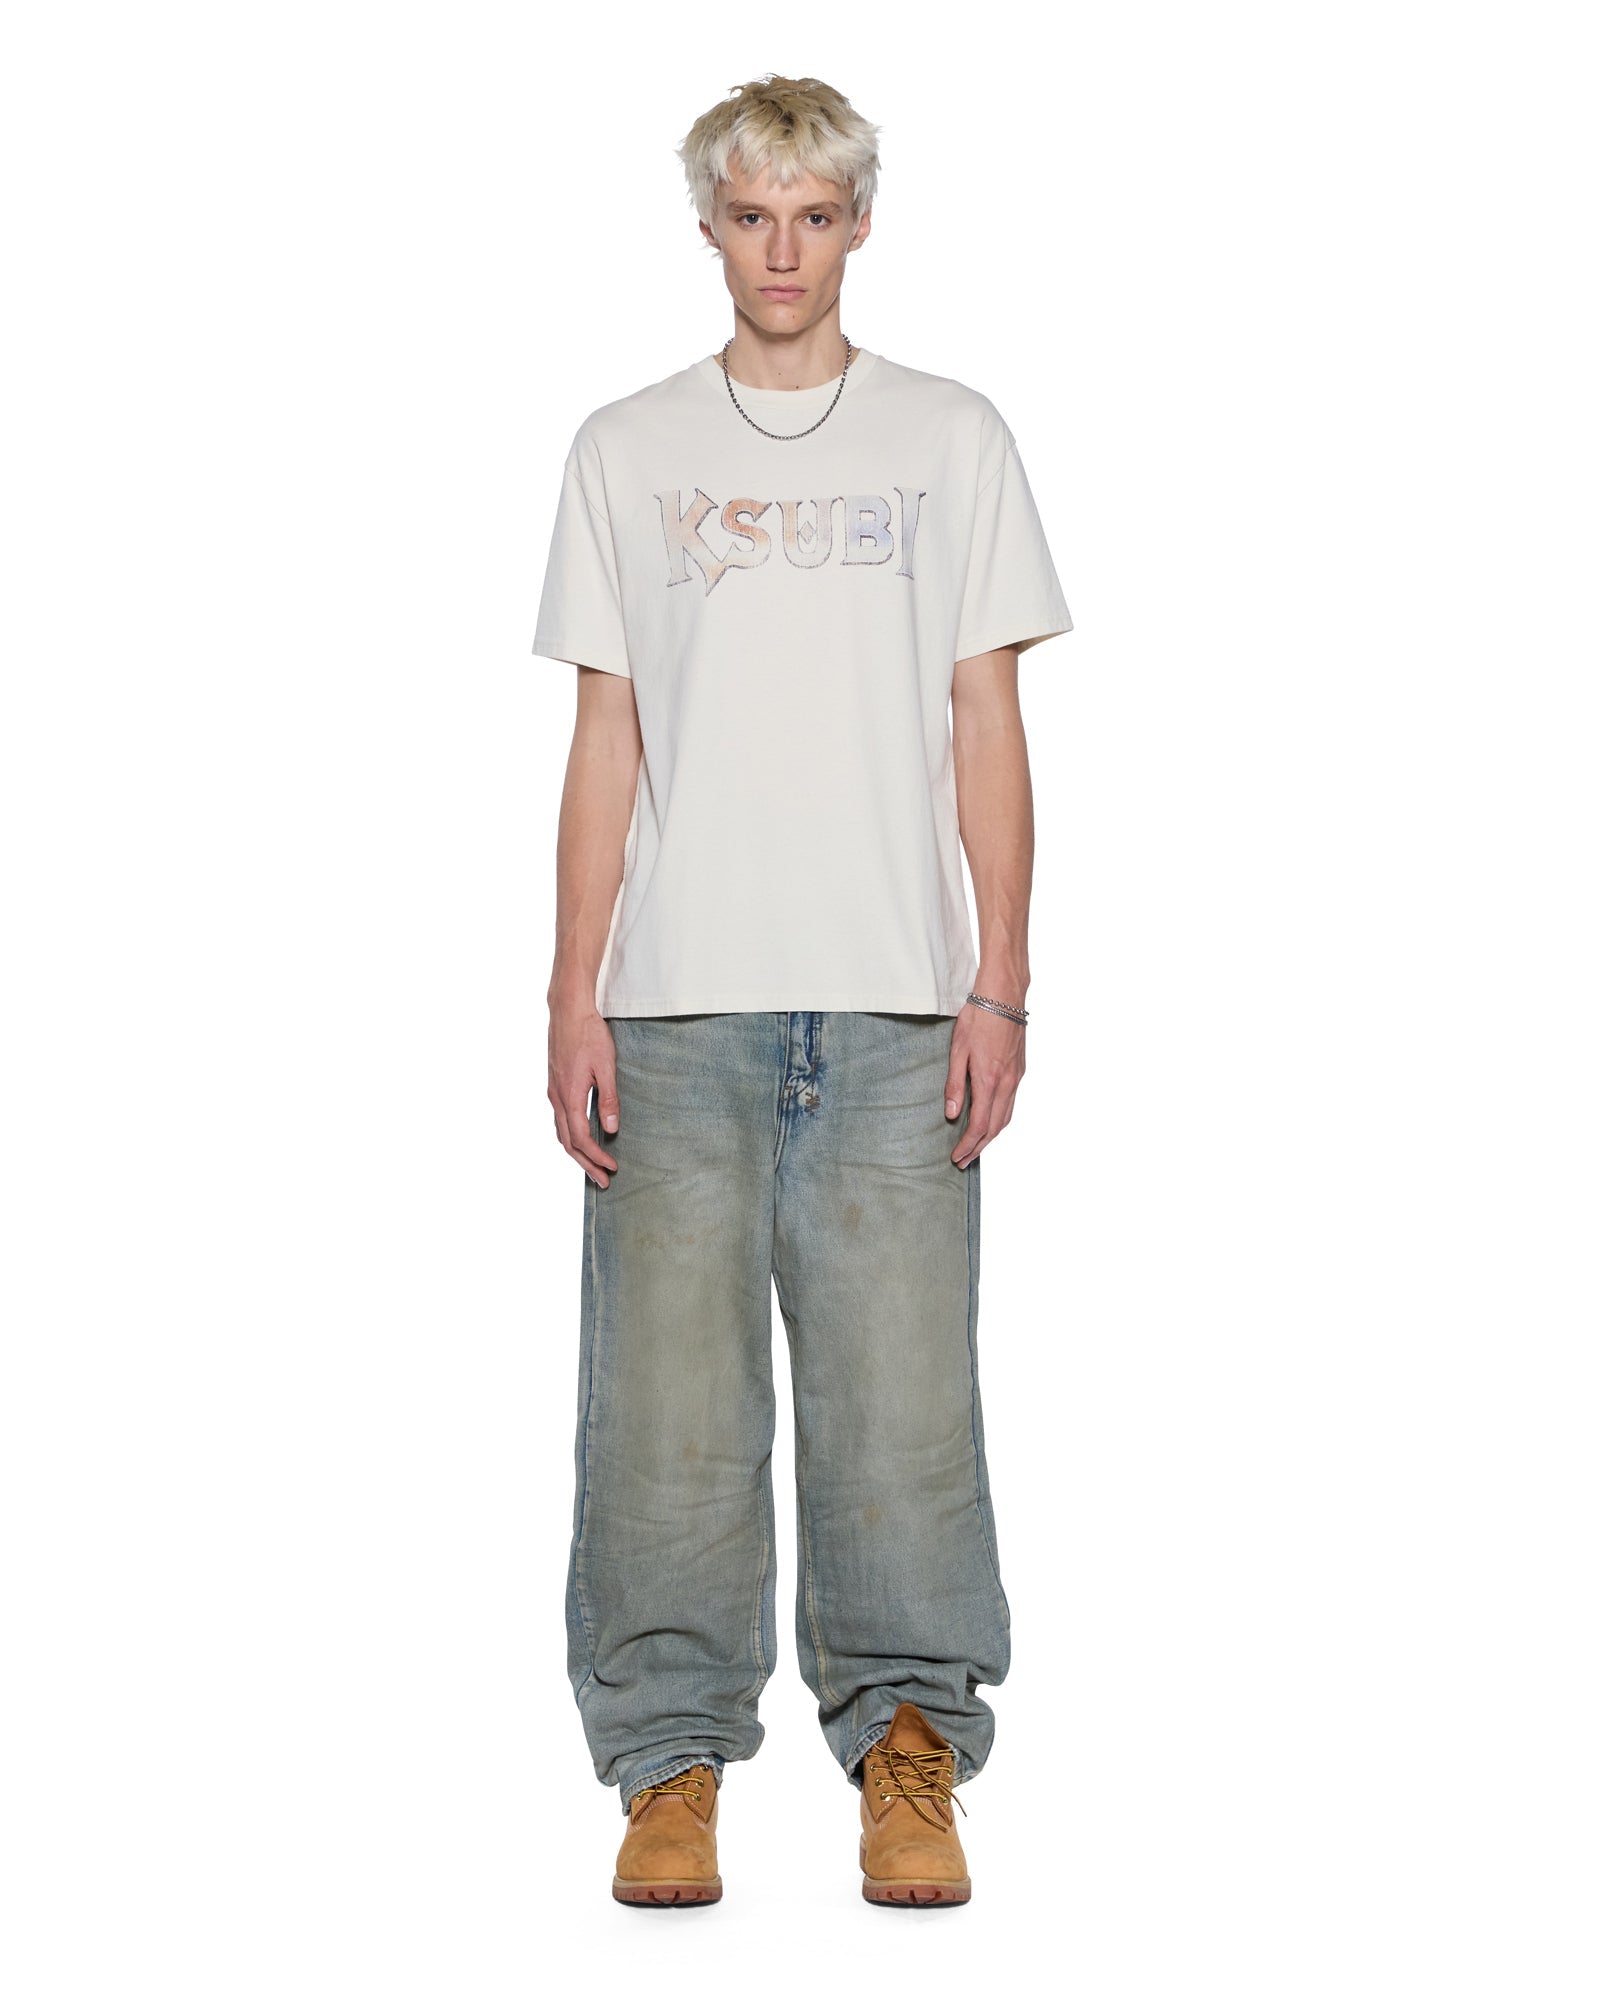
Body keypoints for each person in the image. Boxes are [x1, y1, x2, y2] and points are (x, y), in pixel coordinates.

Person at [531, 72, 1073, 1908]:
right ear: (709, 228)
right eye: (752, 216)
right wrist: (571, 991)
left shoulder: (951, 438)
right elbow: (606, 734)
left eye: (815, 216)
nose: (783, 250)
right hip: (677, 1003)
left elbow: (986, 720)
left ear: (860, 225)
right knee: (665, 1419)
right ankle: (668, 1765)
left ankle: (910, 1747)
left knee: (904, 1412)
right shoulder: (625, 448)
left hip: (896, 1004)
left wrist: (1003, 981)